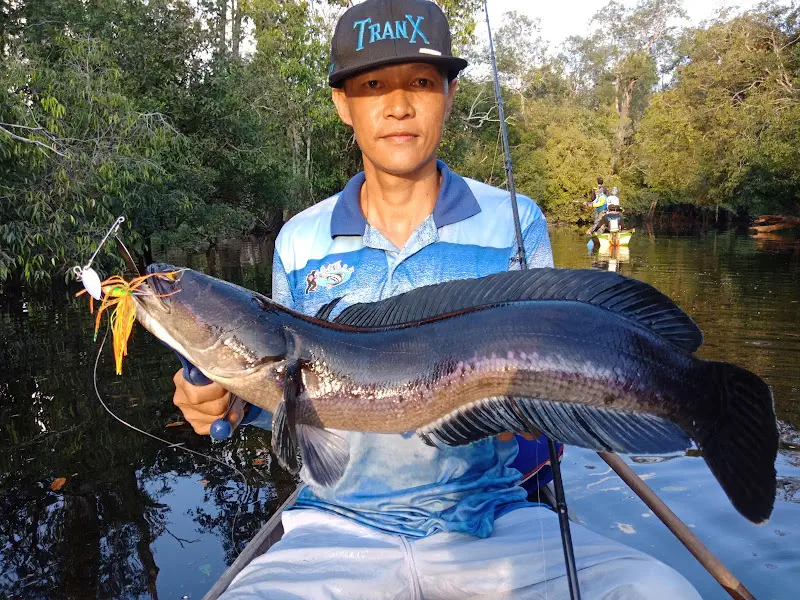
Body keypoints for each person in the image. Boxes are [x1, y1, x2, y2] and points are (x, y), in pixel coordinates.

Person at [172, 1, 700, 598]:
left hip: (492, 523)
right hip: (336, 530)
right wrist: (226, 407)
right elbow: (295, 406)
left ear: (449, 93)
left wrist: (535, 404)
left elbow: (538, 397)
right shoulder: (300, 240)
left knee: (656, 587)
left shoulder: (513, 221)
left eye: (420, 82)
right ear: (343, 104)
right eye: (373, 85)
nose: (398, 105)